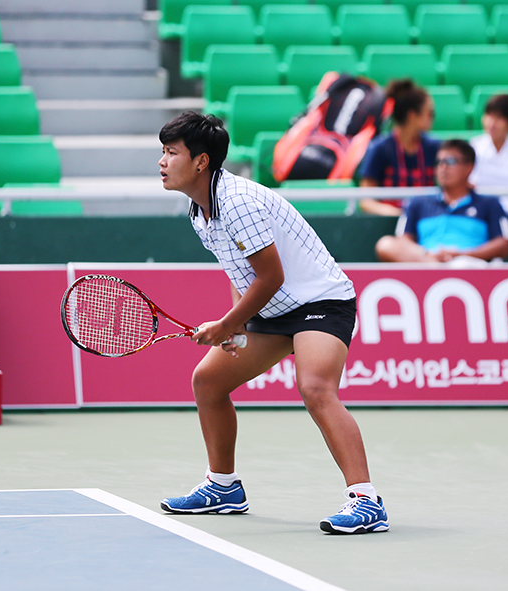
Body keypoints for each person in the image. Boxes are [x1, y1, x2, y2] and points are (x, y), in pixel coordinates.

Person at [157, 111, 388, 535]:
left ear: (201, 161)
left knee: (316, 388)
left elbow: (271, 275)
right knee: (207, 381)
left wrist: (227, 324)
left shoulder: (237, 202)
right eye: (163, 152)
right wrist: (239, 326)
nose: (162, 161)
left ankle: (366, 500)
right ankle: (223, 487)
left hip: (321, 301)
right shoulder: (200, 211)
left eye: (172, 153)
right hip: (273, 309)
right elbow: (237, 270)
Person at [376, 139, 508, 264]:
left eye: (450, 162)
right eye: (438, 162)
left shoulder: (489, 204)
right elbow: (403, 240)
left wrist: (461, 255)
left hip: (470, 267)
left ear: (469, 167)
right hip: (426, 266)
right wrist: (428, 256)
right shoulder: (418, 202)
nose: (443, 167)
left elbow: (503, 244)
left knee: (462, 264)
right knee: (386, 244)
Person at [357, 78, 442, 216]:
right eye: (430, 113)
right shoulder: (379, 148)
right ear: (412, 115)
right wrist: (399, 215)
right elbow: (366, 201)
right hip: (390, 223)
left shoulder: (435, 147)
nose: (432, 118)